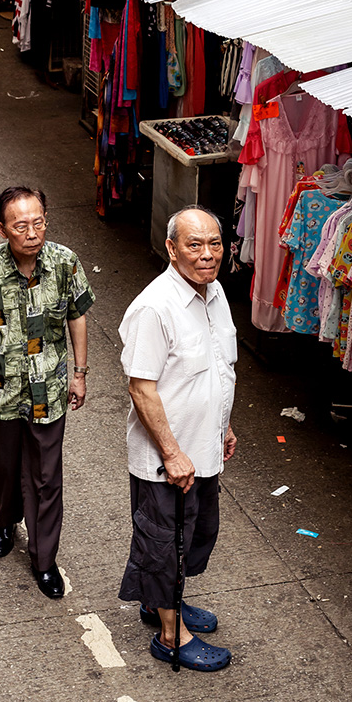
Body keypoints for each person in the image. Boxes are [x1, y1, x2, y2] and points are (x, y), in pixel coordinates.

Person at [0, 186, 95, 598]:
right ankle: (5, 519)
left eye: (39, 222)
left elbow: (77, 317)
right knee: (4, 468)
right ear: (2, 229)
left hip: (48, 390)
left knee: (47, 478)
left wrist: (79, 373)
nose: (32, 233)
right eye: (21, 225)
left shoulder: (65, 263)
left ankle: (44, 560)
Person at [118, 206, 238, 672]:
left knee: (196, 535)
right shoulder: (154, 307)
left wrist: (224, 424)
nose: (207, 255)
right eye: (194, 245)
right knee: (163, 543)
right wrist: (172, 453)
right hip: (168, 461)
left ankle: (159, 602)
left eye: (214, 244)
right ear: (172, 248)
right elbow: (141, 388)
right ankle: (171, 636)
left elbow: (219, 366)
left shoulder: (215, 293)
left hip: (204, 450)